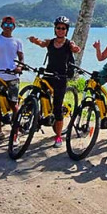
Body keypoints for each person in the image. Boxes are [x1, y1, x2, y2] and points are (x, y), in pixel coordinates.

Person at [28, 16, 81, 148]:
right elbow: (41, 43)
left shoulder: (69, 44)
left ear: (66, 30)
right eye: (58, 28)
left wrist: (75, 49)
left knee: (57, 108)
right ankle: (36, 117)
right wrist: (34, 41)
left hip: (61, 77)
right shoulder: (50, 42)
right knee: (37, 94)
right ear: (55, 29)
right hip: (48, 74)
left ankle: (58, 137)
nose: (61, 30)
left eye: (63, 28)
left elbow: (76, 48)